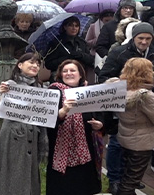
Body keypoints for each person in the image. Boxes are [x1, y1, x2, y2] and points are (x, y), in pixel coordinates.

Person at [0, 53, 47, 195]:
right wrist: (1, 95)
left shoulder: (42, 89)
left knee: (29, 180)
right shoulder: (10, 86)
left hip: (33, 137)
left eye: (38, 64)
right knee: (10, 179)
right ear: (20, 65)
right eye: (31, 62)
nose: (35, 66)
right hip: (13, 138)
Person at [46, 60, 103, 195]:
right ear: (60, 74)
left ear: (80, 74)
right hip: (60, 150)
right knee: (62, 188)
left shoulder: (89, 92)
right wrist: (63, 111)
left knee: (83, 187)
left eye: (73, 70)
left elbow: (100, 116)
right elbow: (47, 119)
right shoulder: (54, 91)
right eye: (65, 71)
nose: (69, 73)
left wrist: (99, 125)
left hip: (85, 152)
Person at [111, 58, 154, 195]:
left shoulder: (118, 89)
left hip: (125, 137)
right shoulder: (145, 96)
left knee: (126, 176)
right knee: (130, 183)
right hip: (142, 144)